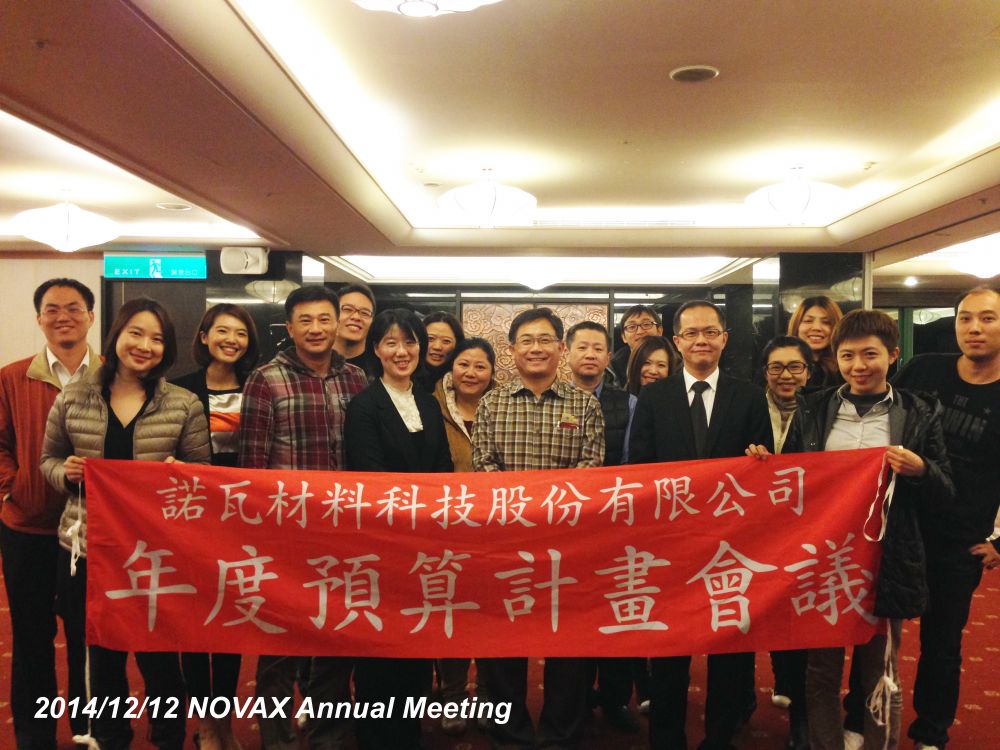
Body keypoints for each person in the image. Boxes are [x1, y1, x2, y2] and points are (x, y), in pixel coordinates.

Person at [751, 309, 954, 750]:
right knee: (821, 669)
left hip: (887, 558)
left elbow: (946, 488)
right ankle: (824, 744)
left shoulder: (919, 412)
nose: (858, 365)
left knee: (879, 670)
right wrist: (764, 463)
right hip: (824, 557)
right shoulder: (814, 408)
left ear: (893, 355)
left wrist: (920, 469)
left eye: (870, 355)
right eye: (847, 356)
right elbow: (793, 478)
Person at [39, 297, 210, 750]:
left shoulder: (183, 404)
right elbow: (48, 459)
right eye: (136, 333)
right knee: (98, 655)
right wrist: (65, 472)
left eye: (157, 339)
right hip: (86, 548)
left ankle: (168, 736)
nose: (145, 346)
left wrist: (183, 474)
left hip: (156, 550)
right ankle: (109, 736)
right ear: (116, 335)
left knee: (160, 656)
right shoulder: (73, 397)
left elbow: (203, 474)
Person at [630, 299, 772, 750]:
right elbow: (640, 469)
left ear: (725, 338)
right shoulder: (655, 397)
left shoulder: (749, 395)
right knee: (670, 646)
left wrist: (760, 459)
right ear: (677, 342)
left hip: (730, 543)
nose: (701, 341)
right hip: (670, 544)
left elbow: (764, 467)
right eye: (691, 333)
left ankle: (719, 736)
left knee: (729, 646)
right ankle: (666, 737)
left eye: (710, 332)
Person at [240, 285, 368, 750]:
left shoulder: (356, 379)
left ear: (338, 324)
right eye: (305, 321)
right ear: (290, 328)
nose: (316, 329)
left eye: (324, 319)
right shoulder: (265, 379)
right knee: (280, 645)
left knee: (336, 638)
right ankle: (276, 740)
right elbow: (252, 467)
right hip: (287, 534)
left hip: (344, 532)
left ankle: (326, 734)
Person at [472, 307, 605, 750]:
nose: (536, 348)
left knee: (568, 644)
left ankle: (561, 733)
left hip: (568, 547)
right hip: (505, 543)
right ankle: (509, 732)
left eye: (545, 339)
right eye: (526, 340)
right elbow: (483, 467)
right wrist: (522, 516)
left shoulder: (584, 404)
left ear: (560, 348)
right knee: (503, 643)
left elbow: (591, 471)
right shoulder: (492, 403)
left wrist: (548, 516)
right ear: (512, 349)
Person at [893, 286, 1000, 750]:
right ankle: (861, 717)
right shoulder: (924, 369)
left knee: (941, 645)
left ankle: (931, 733)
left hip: (958, 541)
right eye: (965, 318)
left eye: (988, 318)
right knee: (874, 634)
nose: (974, 328)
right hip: (899, 526)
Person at [345, 309, 453, 749]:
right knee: (379, 644)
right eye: (390, 343)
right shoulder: (363, 406)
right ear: (376, 349)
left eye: (409, 342)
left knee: (417, 639)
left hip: (425, 543)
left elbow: (443, 468)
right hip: (382, 544)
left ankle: (409, 730)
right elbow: (370, 477)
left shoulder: (428, 402)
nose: (401, 351)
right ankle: (375, 735)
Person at [0, 278, 99, 749]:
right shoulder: (13, 377)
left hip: (92, 532)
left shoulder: (113, 374)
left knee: (88, 637)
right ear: (39, 318)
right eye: (53, 309)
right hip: (30, 526)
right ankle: (35, 735)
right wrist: (11, 488)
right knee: (31, 636)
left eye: (74, 308)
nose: (64, 317)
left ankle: (88, 729)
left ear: (91, 316)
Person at [171, 303, 260, 750]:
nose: (232, 340)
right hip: (191, 516)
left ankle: (223, 720)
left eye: (240, 333)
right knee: (193, 619)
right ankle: (204, 722)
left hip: (241, 517)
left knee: (230, 617)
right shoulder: (178, 389)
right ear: (204, 336)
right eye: (222, 331)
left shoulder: (258, 387)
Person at [566, 320, 642, 734]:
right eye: (582, 347)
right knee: (574, 618)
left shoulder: (627, 403)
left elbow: (631, 466)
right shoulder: (552, 400)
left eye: (598, 348)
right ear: (567, 352)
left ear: (609, 356)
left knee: (617, 616)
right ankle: (575, 701)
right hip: (565, 530)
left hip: (614, 527)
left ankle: (615, 699)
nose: (590, 354)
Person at [431, 336, 495, 735]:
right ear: (451, 368)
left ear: (491, 372)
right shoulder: (429, 406)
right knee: (449, 617)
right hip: (444, 529)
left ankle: (488, 697)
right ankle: (452, 696)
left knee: (490, 619)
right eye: (463, 364)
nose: (471, 373)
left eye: (480, 366)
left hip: (493, 531)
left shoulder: (503, 406)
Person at [759, 335, 814, 750]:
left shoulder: (821, 412)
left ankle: (800, 710)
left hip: (806, 530)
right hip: (753, 531)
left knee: (799, 619)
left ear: (808, 372)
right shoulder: (748, 406)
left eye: (795, 367)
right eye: (776, 367)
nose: (785, 375)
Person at [787, 295, 844, 387]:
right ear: (797, 326)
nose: (816, 328)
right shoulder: (780, 365)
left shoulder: (844, 371)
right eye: (808, 321)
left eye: (826, 322)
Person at [610, 305, 664, 386]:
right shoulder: (614, 368)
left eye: (646, 324)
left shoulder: (676, 363)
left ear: (659, 331)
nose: (640, 331)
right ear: (624, 337)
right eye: (632, 327)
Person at [334, 282, 378, 379]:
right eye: (348, 309)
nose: (356, 317)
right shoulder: (314, 361)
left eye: (365, 313)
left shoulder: (379, 368)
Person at [415, 310, 464, 393]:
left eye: (446, 341)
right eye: (430, 338)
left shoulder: (462, 381)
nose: (437, 347)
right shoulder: (405, 377)